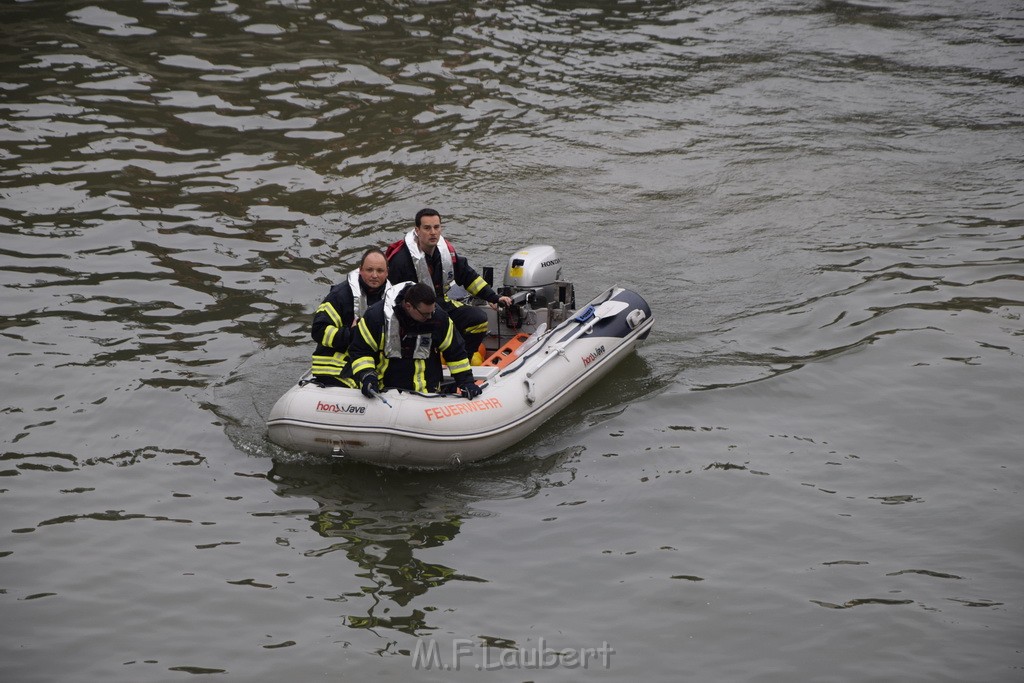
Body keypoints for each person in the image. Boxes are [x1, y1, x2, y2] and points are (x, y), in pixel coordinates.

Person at [386, 208, 512, 364]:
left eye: (436, 227)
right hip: (414, 314)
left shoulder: (445, 253)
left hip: (439, 303)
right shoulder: (401, 261)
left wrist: (494, 297)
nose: (433, 232)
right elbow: (391, 299)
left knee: (479, 319)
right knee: (437, 327)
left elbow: (468, 276)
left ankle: (462, 362)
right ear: (417, 231)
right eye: (427, 228)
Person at [348, 281, 482, 399]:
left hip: (428, 392)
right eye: (425, 314)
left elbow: (455, 352)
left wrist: (466, 382)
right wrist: (367, 375)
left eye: (432, 311)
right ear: (408, 306)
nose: (430, 317)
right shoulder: (376, 318)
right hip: (387, 391)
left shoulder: (439, 318)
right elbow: (361, 351)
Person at [309, 247, 392, 387]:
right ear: (360, 270)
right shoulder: (340, 296)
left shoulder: (392, 297)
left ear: (387, 272)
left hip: (369, 362)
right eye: (369, 270)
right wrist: (352, 334)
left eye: (380, 271)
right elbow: (318, 330)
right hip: (337, 366)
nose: (374, 275)